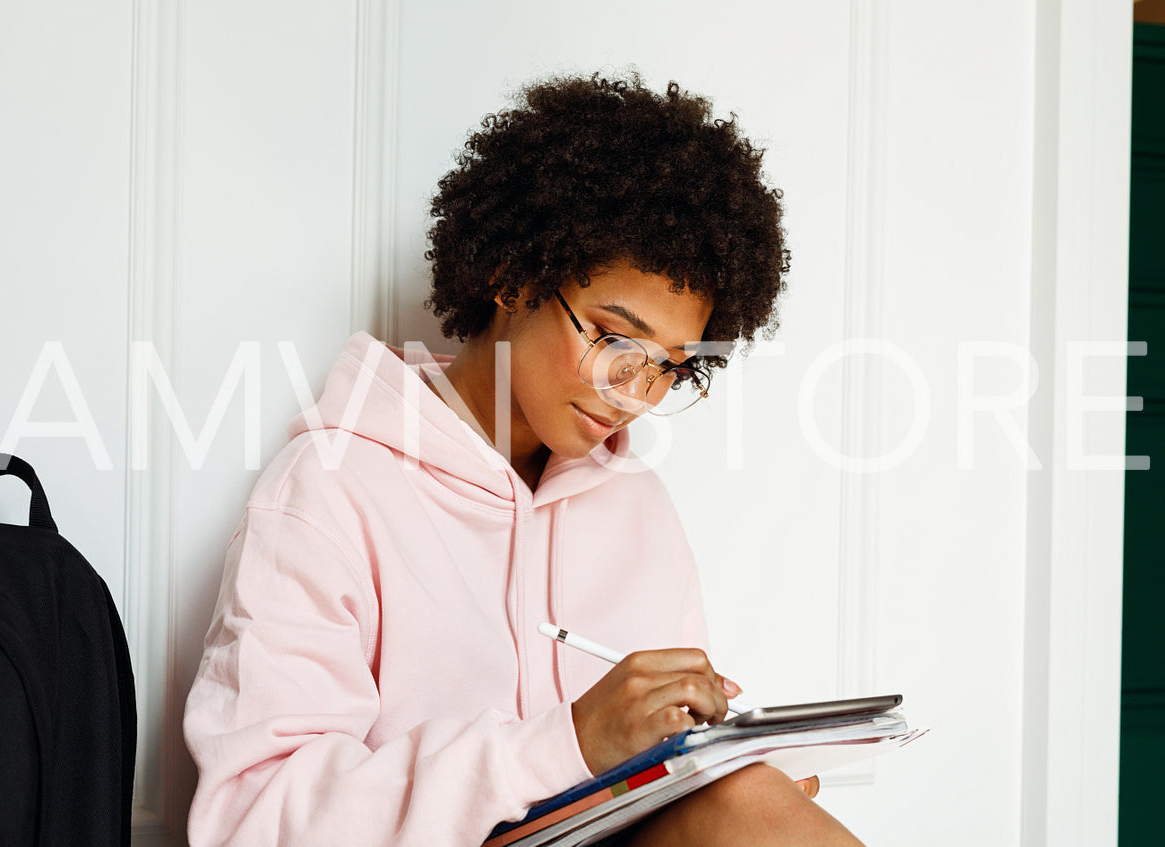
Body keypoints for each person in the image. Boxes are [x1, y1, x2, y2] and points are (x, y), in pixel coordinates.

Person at [183, 72, 866, 846]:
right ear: (512, 275)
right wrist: (566, 742)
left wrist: (707, 772)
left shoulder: (635, 507)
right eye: (615, 339)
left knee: (746, 804)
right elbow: (254, 817)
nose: (633, 393)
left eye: (669, 367)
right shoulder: (331, 489)